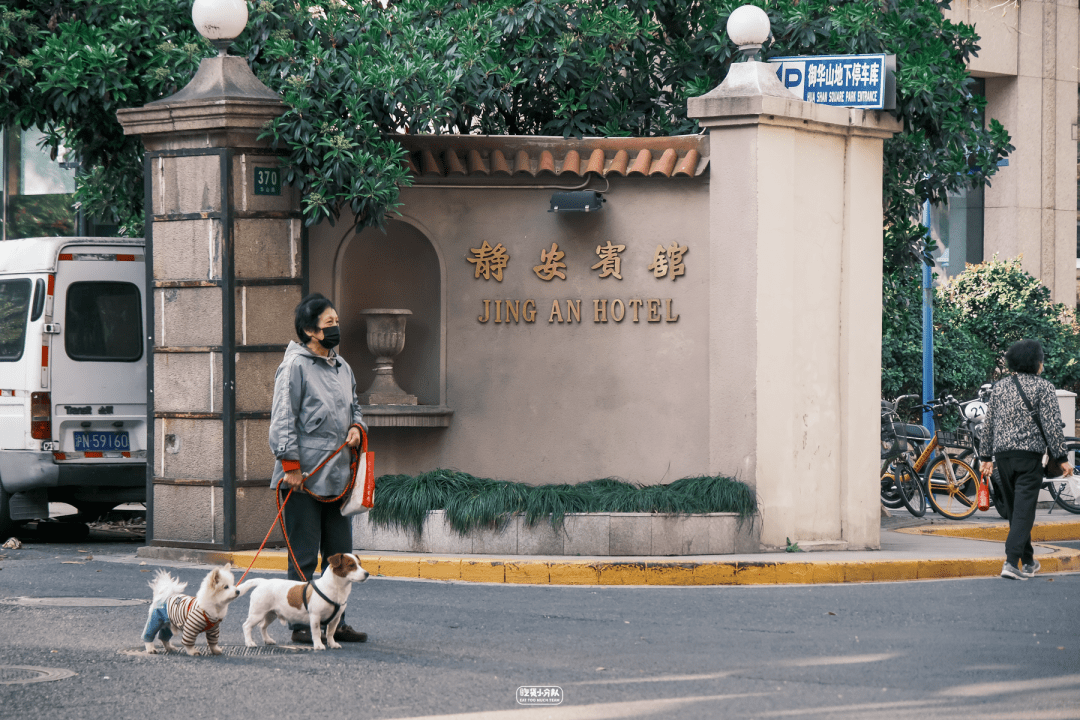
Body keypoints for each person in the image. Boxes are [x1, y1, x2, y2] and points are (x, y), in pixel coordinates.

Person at [269, 292, 368, 643]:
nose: (336, 327)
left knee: (340, 556)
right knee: (304, 557)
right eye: (330, 323)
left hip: (338, 476)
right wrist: (290, 466)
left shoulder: (343, 367)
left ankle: (334, 624)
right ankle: (300, 624)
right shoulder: (294, 366)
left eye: (336, 321)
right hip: (302, 479)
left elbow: (355, 407)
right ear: (311, 331)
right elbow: (282, 419)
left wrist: (357, 427)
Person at [979, 339, 1072, 580]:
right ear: (1036, 363)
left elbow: (988, 424)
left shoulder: (999, 387)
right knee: (1023, 511)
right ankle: (1011, 562)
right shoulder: (1044, 388)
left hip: (1003, 458)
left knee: (1016, 510)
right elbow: (1052, 426)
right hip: (1029, 458)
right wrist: (1062, 458)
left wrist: (986, 456)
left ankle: (1028, 561)